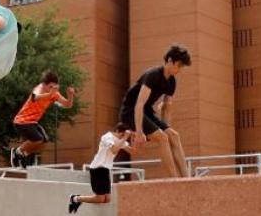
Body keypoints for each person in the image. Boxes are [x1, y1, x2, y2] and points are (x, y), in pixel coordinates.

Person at [118, 45, 191, 178]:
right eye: (179, 65)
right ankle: (174, 179)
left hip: (147, 112)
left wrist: (165, 128)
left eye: (182, 67)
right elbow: (138, 104)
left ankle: (187, 178)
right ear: (169, 60)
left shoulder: (172, 82)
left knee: (174, 136)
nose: (179, 69)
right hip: (130, 111)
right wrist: (139, 132)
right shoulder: (153, 75)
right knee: (162, 138)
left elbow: (166, 108)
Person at [8, 71, 75, 168]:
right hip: (21, 121)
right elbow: (34, 97)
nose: (52, 90)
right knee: (38, 139)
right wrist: (49, 94)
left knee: (44, 141)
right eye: (50, 87)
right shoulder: (39, 88)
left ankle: (23, 154)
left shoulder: (54, 94)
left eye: (54, 87)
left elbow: (68, 104)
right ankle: (17, 151)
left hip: (32, 122)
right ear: (44, 84)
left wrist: (70, 95)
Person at [68, 124, 134, 213]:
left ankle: (77, 199)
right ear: (118, 131)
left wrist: (136, 138)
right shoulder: (107, 137)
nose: (122, 138)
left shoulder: (120, 140)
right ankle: (75, 198)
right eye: (122, 135)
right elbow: (114, 150)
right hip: (97, 168)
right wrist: (125, 137)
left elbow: (133, 151)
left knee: (107, 199)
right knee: (100, 198)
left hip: (105, 169)